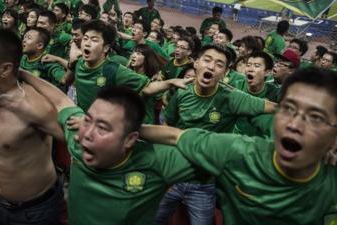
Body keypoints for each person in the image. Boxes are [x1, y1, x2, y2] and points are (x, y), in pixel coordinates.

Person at [140, 67, 337, 225]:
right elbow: (176, 136)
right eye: (288, 109)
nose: (294, 125)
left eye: (316, 118)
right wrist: (125, 130)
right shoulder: (238, 153)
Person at [20, 69, 202, 225]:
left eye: (102, 128)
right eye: (89, 121)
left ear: (130, 140)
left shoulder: (157, 160)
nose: (87, 135)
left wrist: (136, 130)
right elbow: (60, 101)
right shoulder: (79, 137)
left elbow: (218, 155)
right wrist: (22, 73)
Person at [156, 44, 276, 225]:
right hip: (171, 177)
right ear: (196, 63)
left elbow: (277, 108)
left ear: (226, 72)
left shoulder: (232, 98)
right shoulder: (182, 93)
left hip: (204, 184)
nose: (211, 67)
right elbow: (167, 124)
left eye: (219, 64)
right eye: (207, 60)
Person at [0, 27, 65, 225]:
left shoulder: (33, 107)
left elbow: (80, 145)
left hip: (35, 212)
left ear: (5, 69)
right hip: (0, 203)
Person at [70, 20, 189, 113]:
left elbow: (147, 87)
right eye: (85, 39)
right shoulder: (79, 62)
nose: (87, 43)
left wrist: (171, 82)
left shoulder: (114, 70)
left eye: (94, 40)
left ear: (106, 47)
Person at [128, 44, 167, 124]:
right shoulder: (128, 76)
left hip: (145, 122)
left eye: (138, 54)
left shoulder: (152, 79)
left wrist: (158, 81)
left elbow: (159, 99)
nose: (133, 56)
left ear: (146, 59)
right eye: (133, 52)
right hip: (129, 120)